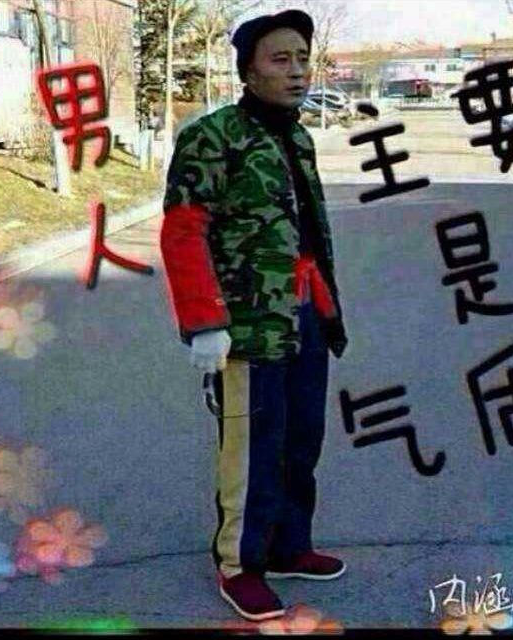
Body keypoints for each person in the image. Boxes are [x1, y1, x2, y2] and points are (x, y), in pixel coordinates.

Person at [160, 9, 348, 622]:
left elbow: (308, 232)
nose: (297, 72)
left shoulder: (297, 137)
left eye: (302, 59)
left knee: (301, 439)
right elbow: (184, 231)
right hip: (244, 324)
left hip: (304, 313)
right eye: (280, 59)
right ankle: (239, 564)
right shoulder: (212, 137)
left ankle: (289, 545)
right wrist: (204, 322)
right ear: (248, 71)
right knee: (251, 450)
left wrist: (327, 309)